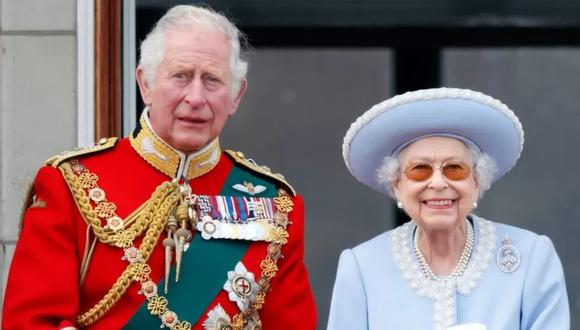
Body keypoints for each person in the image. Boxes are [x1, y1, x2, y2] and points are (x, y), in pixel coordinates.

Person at [2, 5, 317, 329]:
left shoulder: (274, 205)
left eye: (212, 80)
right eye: (181, 76)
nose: (195, 97)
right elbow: (30, 323)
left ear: (236, 95)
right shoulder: (71, 183)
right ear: (145, 84)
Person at [327, 88, 569, 330]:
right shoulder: (361, 267)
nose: (439, 183)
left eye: (455, 168)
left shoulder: (531, 257)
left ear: (476, 181)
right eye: (419, 169)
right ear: (397, 185)